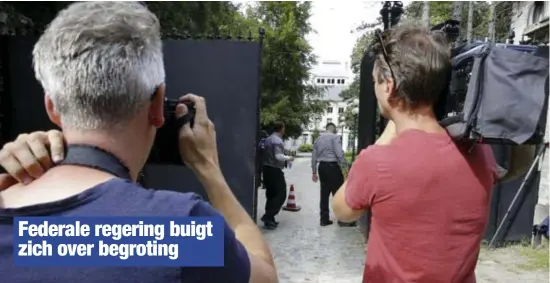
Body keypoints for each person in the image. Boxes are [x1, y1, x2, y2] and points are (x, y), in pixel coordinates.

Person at [0, 2, 277, 283]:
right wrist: (208, 168)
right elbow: (266, 277)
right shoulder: (175, 230)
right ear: (157, 104)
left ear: (52, 108)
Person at [331, 24, 532, 283]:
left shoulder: (378, 161)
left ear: (389, 86)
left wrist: (390, 130)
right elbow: (514, 170)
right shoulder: (478, 153)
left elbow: (342, 210)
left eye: (375, 81)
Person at [311, 123, 354, 227]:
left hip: (322, 167)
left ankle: (324, 219)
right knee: (338, 193)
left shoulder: (318, 139)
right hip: (333, 167)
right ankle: (342, 219)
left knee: (324, 194)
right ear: (334, 130)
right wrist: (345, 166)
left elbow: (313, 157)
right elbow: (339, 153)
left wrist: (314, 172)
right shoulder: (335, 137)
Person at [260, 121, 293, 229]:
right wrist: (289, 158)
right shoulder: (277, 141)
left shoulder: (268, 139)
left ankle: (270, 219)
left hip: (266, 169)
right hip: (274, 170)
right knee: (280, 194)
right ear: (281, 129)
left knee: (271, 194)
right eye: (284, 128)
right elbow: (278, 156)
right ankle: (268, 216)